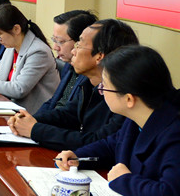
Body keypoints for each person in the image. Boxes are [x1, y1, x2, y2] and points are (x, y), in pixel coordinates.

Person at [56, 45, 180, 196]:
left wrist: (124, 180)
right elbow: (112, 145)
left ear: (129, 99)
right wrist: (78, 157)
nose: (101, 91)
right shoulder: (137, 117)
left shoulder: (174, 133)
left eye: (105, 86)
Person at [9, 18, 136, 149]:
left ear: (99, 56)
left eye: (79, 46)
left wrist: (35, 129)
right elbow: (68, 114)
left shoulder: (123, 96)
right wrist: (27, 120)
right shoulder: (88, 83)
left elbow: (97, 142)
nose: (73, 51)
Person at [0, 4, 59, 112]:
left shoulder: (38, 52)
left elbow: (19, 89)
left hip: (32, 114)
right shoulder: (12, 47)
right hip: (10, 107)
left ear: (16, 29)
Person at [31, 10, 98, 117]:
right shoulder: (68, 65)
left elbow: (70, 115)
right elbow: (53, 101)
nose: (55, 47)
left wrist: (35, 124)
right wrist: (32, 119)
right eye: (54, 40)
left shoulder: (91, 76)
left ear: (80, 42)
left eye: (61, 42)